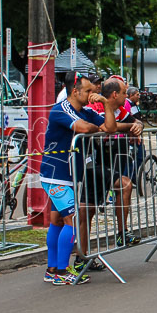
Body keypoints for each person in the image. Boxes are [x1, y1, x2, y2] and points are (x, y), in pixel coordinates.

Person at [37, 72, 121, 285]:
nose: (93, 94)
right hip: (56, 174)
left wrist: (105, 104)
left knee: (57, 220)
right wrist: (94, 128)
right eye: (89, 91)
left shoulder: (85, 111)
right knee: (73, 219)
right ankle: (62, 272)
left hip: (69, 174)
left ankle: (52, 269)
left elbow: (110, 128)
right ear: (75, 91)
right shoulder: (60, 110)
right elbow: (84, 128)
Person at [74, 77, 144, 273]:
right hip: (93, 164)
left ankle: (82, 258)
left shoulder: (122, 110)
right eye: (123, 93)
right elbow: (106, 128)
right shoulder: (95, 108)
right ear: (114, 95)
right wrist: (129, 127)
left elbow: (133, 121)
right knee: (124, 185)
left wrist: (137, 125)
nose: (126, 97)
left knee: (88, 212)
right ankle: (121, 234)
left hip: (110, 165)